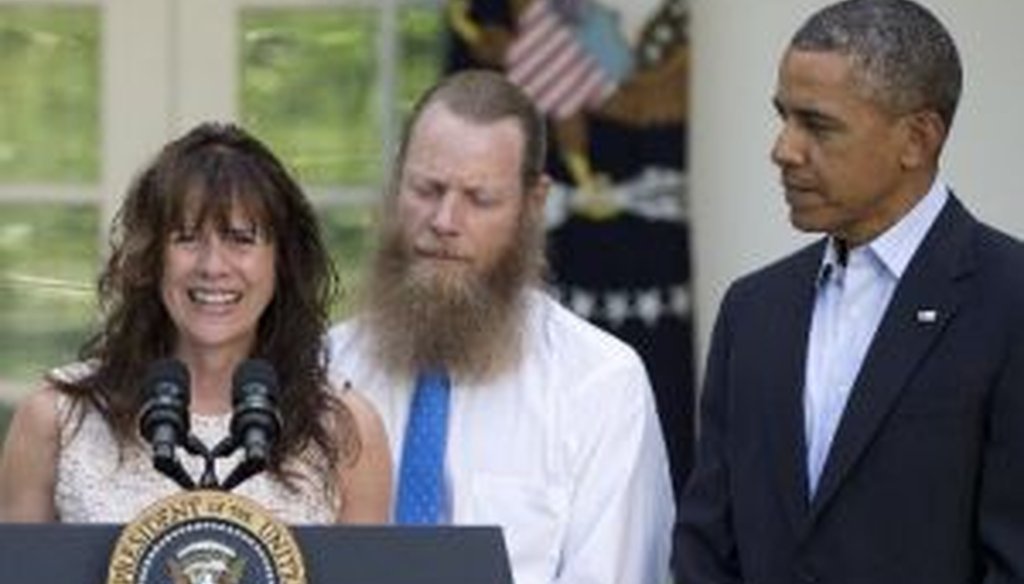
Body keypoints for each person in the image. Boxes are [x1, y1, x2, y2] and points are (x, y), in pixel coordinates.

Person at [676, 1, 1024, 582]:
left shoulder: (1010, 300)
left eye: (817, 124)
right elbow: (706, 543)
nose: (783, 149)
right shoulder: (753, 310)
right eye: (782, 116)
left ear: (917, 138)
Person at [327, 69, 674, 584]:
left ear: (533, 204)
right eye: (426, 188)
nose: (444, 220)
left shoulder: (601, 384)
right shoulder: (325, 365)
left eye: (479, 198)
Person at [0, 122, 391, 524]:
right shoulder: (55, 419)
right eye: (186, 238)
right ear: (150, 258)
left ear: (282, 261)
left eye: (240, 239)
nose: (212, 266)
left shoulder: (345, 431)